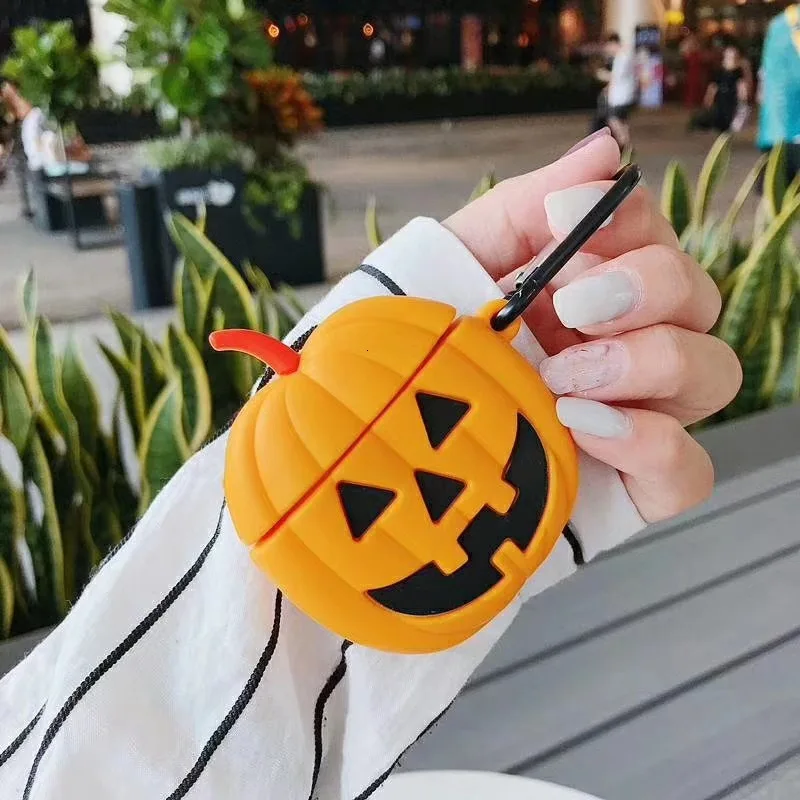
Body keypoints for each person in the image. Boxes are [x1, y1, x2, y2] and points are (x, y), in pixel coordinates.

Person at [0, 131, 741, 799]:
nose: (443, 499)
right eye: (366, 505)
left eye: (441, 421)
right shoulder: (284, 470)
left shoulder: (417, 355)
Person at [757, 3, 800, 186]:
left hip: (774, 127)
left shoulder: (778, 24)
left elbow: (764, 75)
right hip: (794, 129)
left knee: (775, 189)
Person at [591, 33, 638, 150]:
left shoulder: (621, 58)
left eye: (608, 46)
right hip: (624, 96)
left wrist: (601, 74)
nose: (607, 49)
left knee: (613, 120)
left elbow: (615, 77)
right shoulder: (624, 56)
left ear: (613, 43)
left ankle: (624, 145)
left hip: (620, 98)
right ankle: (626, 147)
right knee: (622, 122)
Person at [690, 43, 749, 133]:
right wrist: (708, 99)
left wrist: (743, 99)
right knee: (717, 119)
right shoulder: (719, 70)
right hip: (721, 98)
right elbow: (713, 87)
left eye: (732, 55)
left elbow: (741, 85)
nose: (729, 58)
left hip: (731, 98)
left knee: (728, 119)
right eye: (728, 55)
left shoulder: (738, 71)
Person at [681, 32, 709, 110]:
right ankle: (690, 103)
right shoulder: (689, 52)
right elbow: (685, 57)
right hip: (691, 72)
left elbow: (704, 60)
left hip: (698, 72)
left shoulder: (699, 52)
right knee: (691, 87)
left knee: (697, 86)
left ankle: (696, 103)